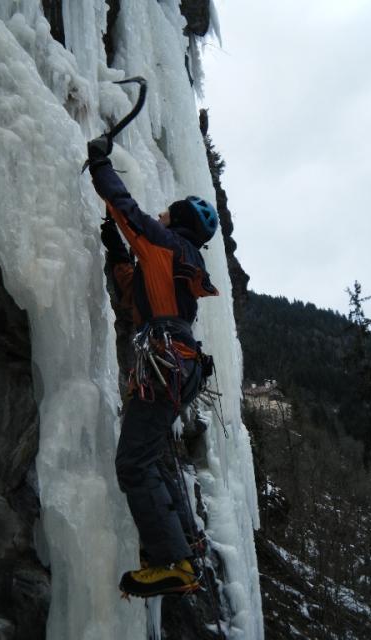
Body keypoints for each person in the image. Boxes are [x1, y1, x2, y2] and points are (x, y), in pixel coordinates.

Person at [87, 135, 219, 598]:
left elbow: (129, 212)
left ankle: (173, 560)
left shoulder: (166, 243)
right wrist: (115, 247)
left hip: (164, 361)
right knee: (155, 455)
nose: (161, 213)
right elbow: (138, 289)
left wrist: (100, 165)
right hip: (177, 365)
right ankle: (188, 543)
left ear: (177, 222)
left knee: (132, 463)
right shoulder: (174, 261)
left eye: (169, 211)